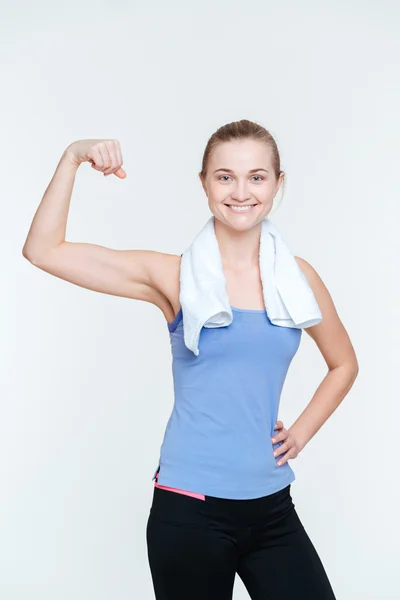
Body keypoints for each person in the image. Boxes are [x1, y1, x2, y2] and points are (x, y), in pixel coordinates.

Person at [22, 119, 359, 599]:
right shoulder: (174, 277)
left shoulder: (298, 278)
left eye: (257, 177)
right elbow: (42, 250)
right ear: (204, 183)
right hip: (190, 512)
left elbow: (344, 363)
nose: (241, 191)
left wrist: (300, 433)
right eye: (225, 176)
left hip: (272, 507)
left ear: (278, 184)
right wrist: (73, 157)